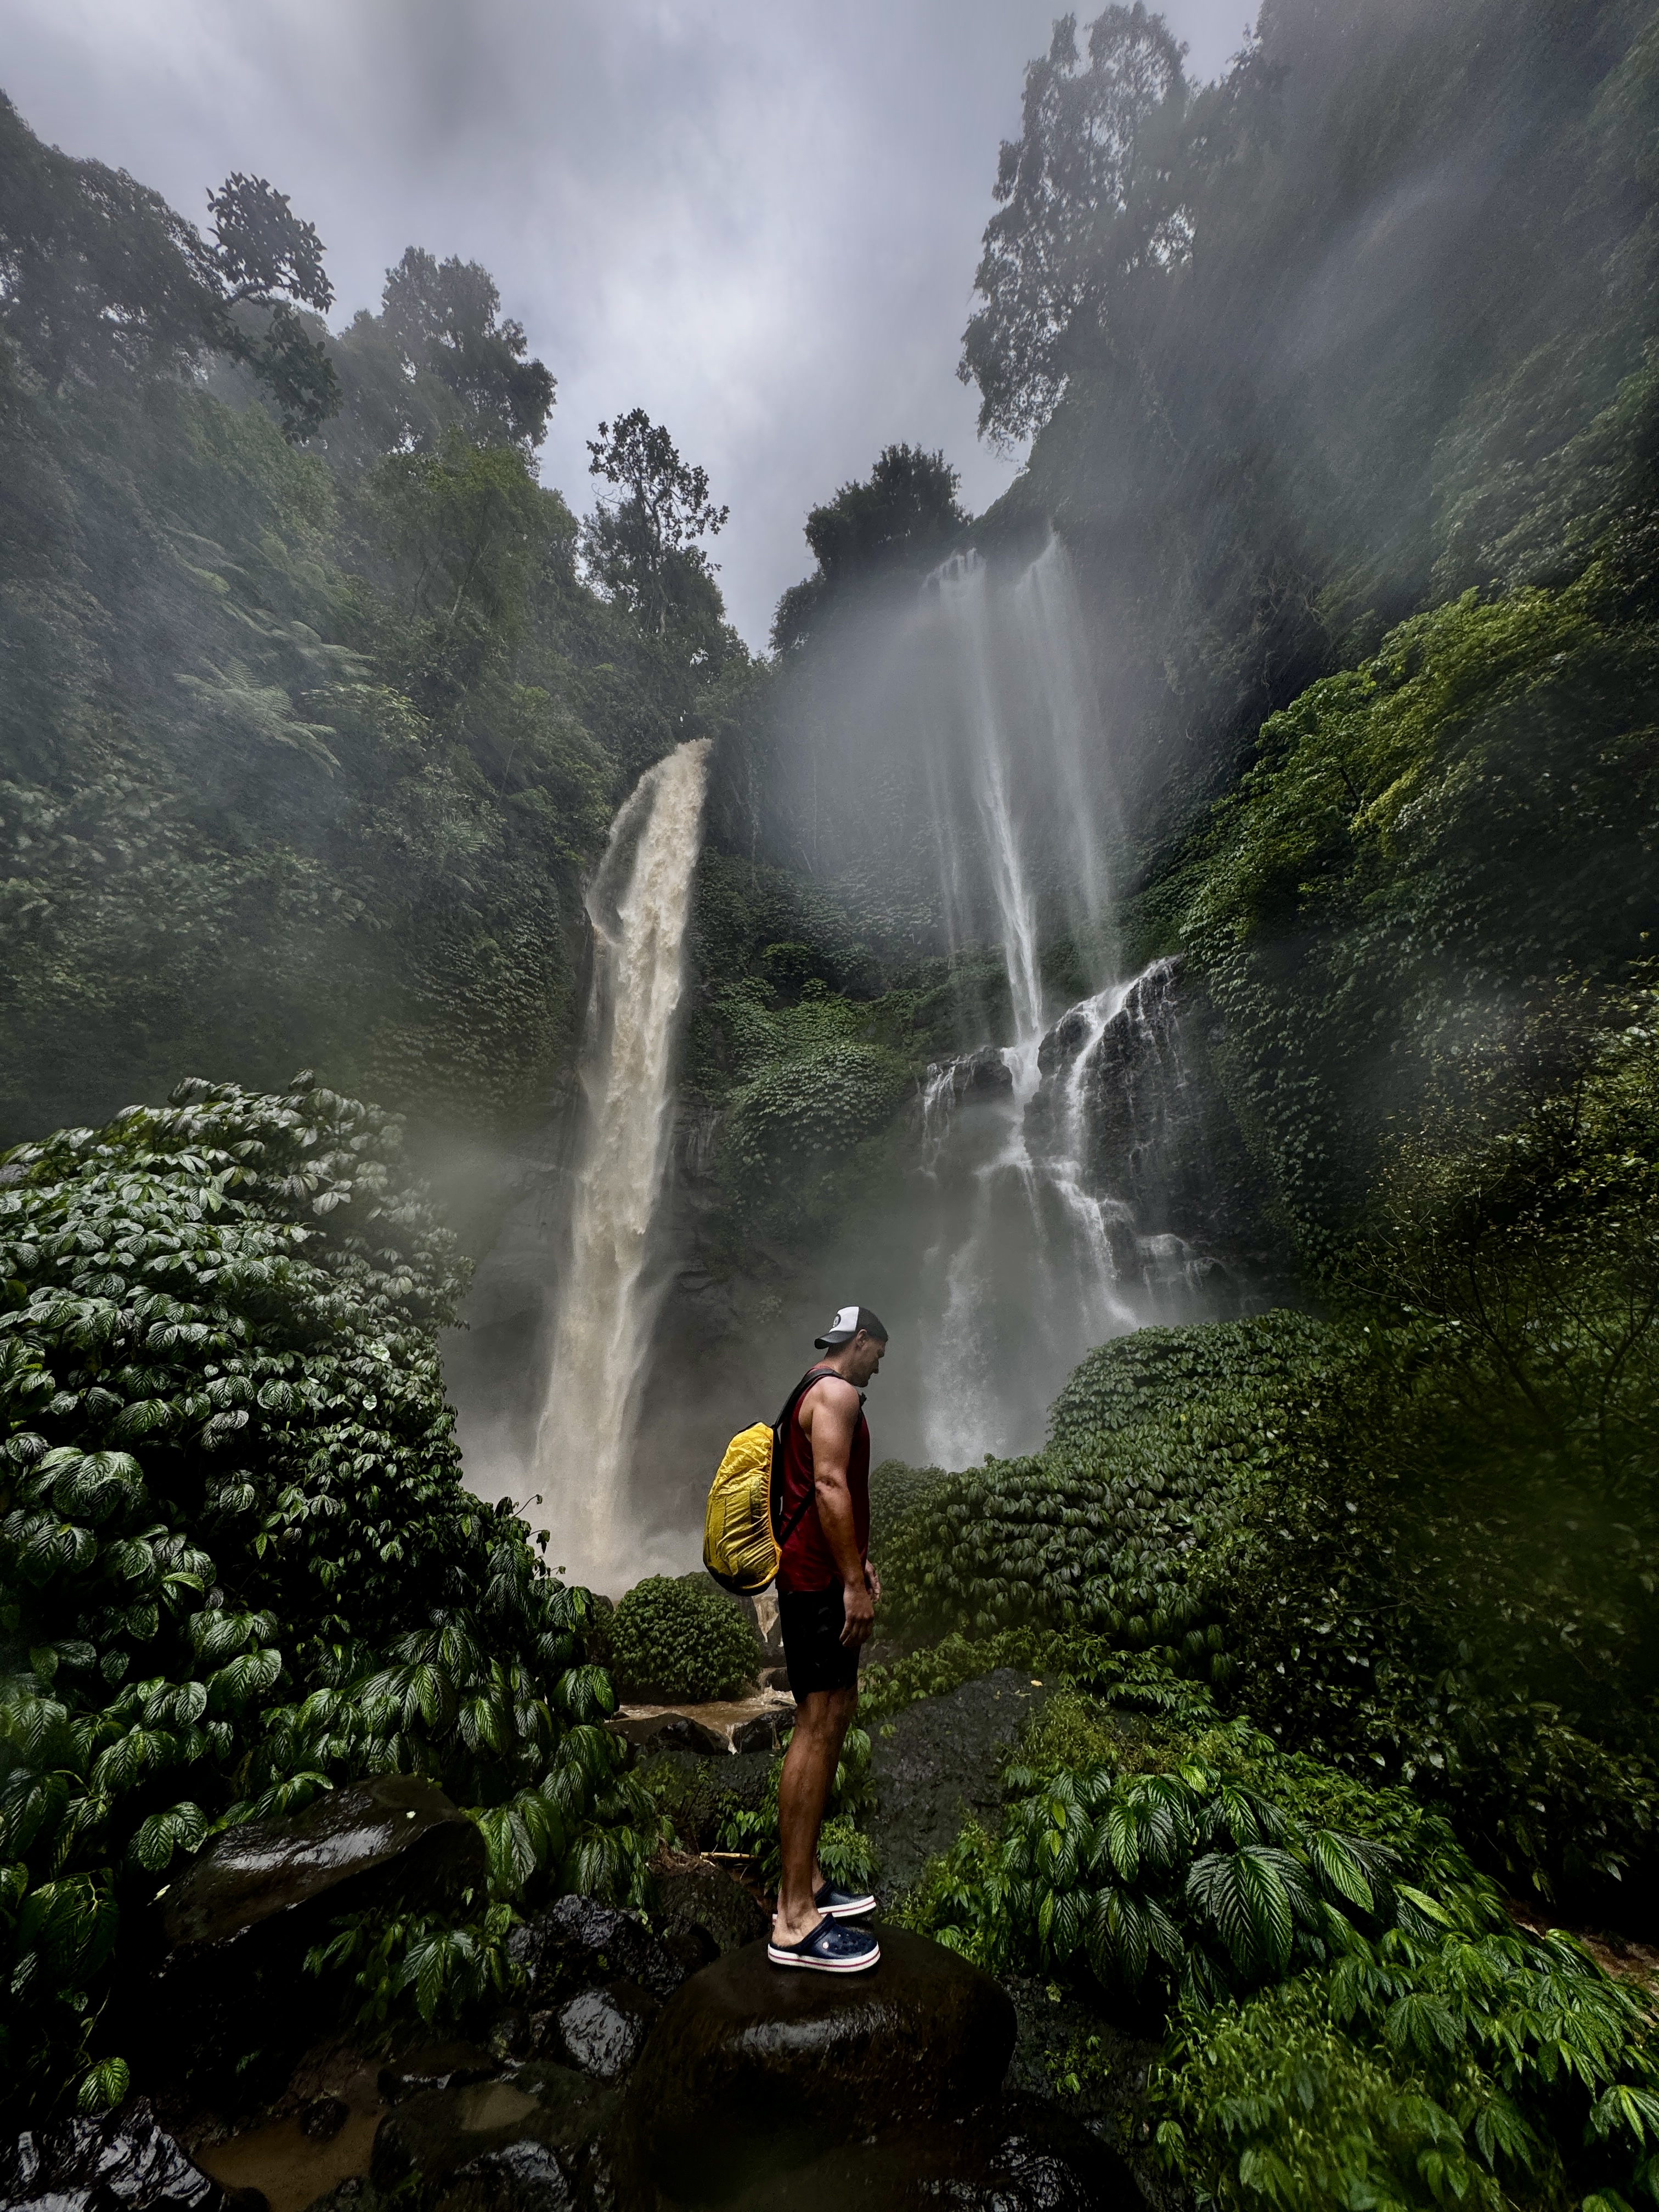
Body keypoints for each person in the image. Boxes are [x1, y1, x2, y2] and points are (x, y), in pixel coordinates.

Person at [765, 1304, 888, 1973]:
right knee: (817, 1723)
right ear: (861, 1340)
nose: (878, 1368)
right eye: (878, 1355)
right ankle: (793, 1920)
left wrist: (857, 1558)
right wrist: (853, 1583)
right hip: (816, 1587)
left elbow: (825, 1498)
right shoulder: (837, 1392)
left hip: (814, 1578)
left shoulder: (807, 1387)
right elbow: (830, 1484)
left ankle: (807, 1882)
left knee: (833, 1712)